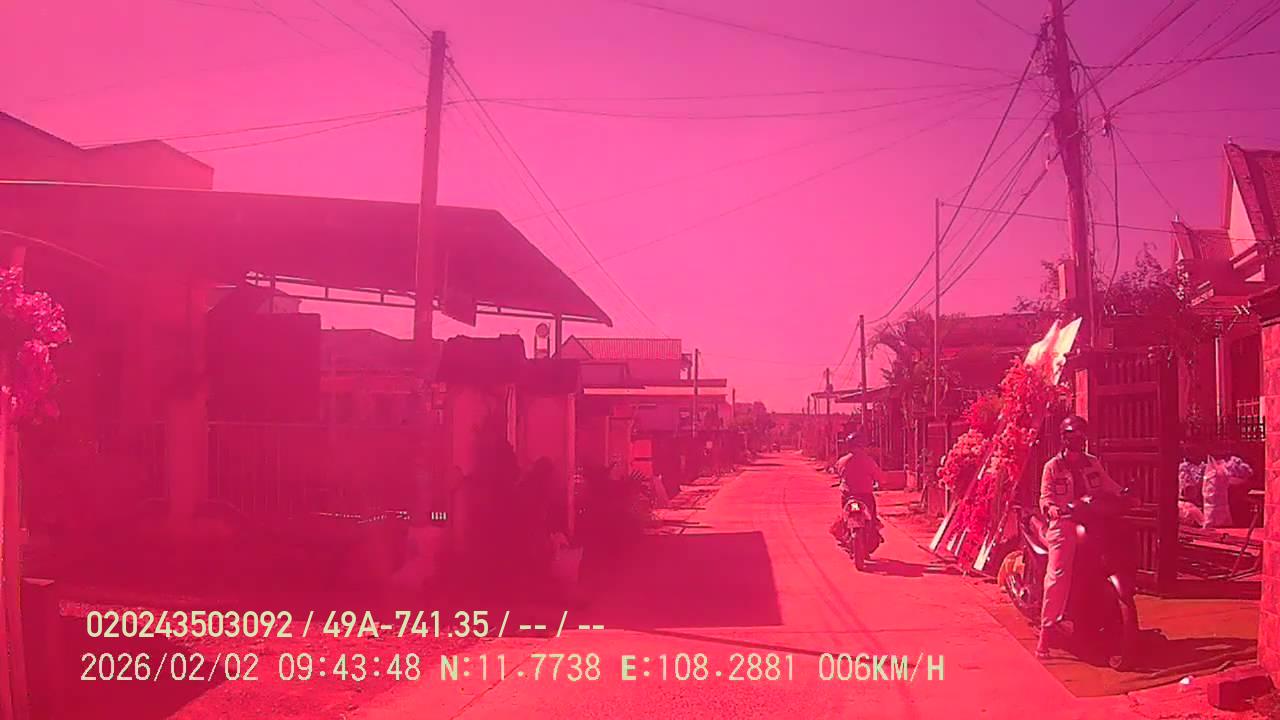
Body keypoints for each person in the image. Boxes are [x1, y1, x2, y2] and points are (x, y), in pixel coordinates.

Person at [1036, 414, 1124, 659]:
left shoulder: (1092, 463)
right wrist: (1051, 508)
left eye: (1081, 435)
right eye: (1072, 435)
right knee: (1058, 574)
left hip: (1092, 522)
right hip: (1064, 524)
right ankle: (1045, 632)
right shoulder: (1052, 467)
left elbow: (1108, 485)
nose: (1077, 439)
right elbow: (1045, 496)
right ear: (1063, 438)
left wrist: (1125, 494)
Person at [837, 433, 886, 528]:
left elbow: (839, 473)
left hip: (847, 495)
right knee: (872, 519)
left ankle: (845, 528)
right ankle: (873, 526)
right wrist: (881, 483)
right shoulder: (868, 460)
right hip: (865, 495)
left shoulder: (842, 461)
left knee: (844, 518)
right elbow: (879, 476)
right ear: (863, 446)